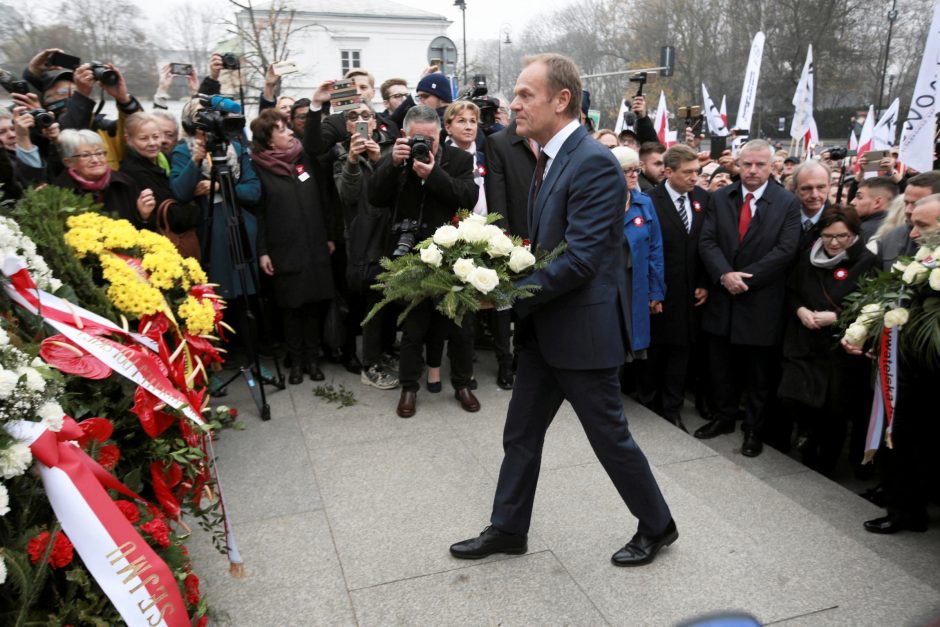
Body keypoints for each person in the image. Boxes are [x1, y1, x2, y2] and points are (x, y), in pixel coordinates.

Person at [450, 53, 675, 568]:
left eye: (526, 94)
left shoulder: (592, 161)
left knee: (609, 439)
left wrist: (506, 294)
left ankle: (658, 525)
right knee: (521, 435)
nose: (514, 102)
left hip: (583, 333)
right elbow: (543, 246)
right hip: (544, 330)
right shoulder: (549, 156)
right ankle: (509, 529)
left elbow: (580, 259)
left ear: (561, 99)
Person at [368, 105, 480, 418]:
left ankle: (461, 384)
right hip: (411, 255)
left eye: (431, 139)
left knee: (459, 327)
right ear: (404, 134)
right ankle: (408, 388)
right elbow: (374, 197)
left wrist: (434, 175)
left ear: (441, 135)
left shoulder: (459, 159)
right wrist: (391, 164)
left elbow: (467, 197)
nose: (425, 145)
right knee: (413, 328)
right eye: (419, 138)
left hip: (452, 254)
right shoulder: (396, 157)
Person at [696, 139, 801, 457]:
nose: (752, 170)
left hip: (761, 302)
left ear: (772, 167)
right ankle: (724, 417)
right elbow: (707, 240)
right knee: (721, 366)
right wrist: (724, 275)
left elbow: (785, 250)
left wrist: (746, 279)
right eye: (747, 164)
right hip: (723, 297)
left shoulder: (786, 203)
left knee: (759, 374)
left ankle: (754, 429)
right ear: (737, 165)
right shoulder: (721, 197)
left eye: (760, 165)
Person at [846, 193, 940, 534]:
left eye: (922, 226)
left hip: (927, 376)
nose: (912, 234)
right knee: (904, 442)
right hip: (907, 373)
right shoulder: (923, 261)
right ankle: (905, 509)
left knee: (916, 445)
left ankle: (909, 508)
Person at [779, 205, 877, 476]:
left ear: (854, 234)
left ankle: (825, 463)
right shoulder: (807, 257)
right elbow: (792, 291)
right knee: (793, 394)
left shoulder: (867, 261)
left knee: (833, 410)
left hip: (838, 348)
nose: (834, 243)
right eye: (827, 236)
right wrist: (800, 311)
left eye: (841, 237)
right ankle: (806, 436)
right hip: (803, 341)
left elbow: (872, 306)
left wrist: (836, 318)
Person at [169, 98, 262, 367]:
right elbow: (180, 192)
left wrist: (220, 187)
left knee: (247, 293)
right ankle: (215, 360)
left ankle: (253, 357)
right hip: (209, 230)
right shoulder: (182, 152)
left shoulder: (235, 149)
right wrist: (197, 159)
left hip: (239, 224)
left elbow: (254, 191)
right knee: (213, 296)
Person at [252, 109, 335, 384]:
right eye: (281, 129)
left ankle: (313, 358)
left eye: (288, 127)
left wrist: (330, 235)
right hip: (283, 248)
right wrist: (263, 250)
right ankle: (296, 361)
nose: (289, 132)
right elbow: (260, 213)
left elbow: (324, 198)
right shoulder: (259, 167)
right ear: (269, 140)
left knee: (313, 305)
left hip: (314, 244)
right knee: (291, 307)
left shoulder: (304, 158)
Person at [639, 144, 710, 432]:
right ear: (668, 172)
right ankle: (647, 401)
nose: (694, 177)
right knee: (654, 351)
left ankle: (672, 408)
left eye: (697, 172)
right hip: (657, 292)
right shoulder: (648, 201)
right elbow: (643, 249)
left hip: (690, 294)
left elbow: (709, 243)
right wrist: (648, 291)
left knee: (680, 354)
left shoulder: (703, 199)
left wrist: (705, 282)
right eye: (688, 172)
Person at [332, 99, 399, 391]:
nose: (360, 120)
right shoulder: (340, 154)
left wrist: (377, 160)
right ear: (347, 125)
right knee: (373, 298)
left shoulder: (389, 147)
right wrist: (352, 161)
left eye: (366, 115)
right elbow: (346, 195)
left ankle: (385, 352)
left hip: (392, 231)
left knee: (393, 296)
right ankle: (369, 363)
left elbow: (396, 189)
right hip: (362, 235)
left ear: (375, 121)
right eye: (353, 116)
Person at [484, 117, 539, 391]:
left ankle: (522, 356)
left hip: (544, 236)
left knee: (531, 300)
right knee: (504, 303)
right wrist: (504, 241)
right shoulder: (499, 142)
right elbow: (497, 194)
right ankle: (504, 361)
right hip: (510, 236)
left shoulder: (550, 137)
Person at [611, 145, 666, 360]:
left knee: (631, 344)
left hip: (635, 284)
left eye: (636, 169)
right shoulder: (599, 203)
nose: (634, 175)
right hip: (608, 285)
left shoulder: (645, 204)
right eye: (627, 170)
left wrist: (656, 292)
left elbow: (655, 250)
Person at [119, 112, 201, 235]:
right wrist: (201, 208)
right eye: (143, 138)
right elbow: (172, 217)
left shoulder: (164, 159)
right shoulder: (134, 172)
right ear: (128, 139)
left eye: (156, 137)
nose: (152, 143)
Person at [52, 129, 154, 227]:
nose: (95, 160)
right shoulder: (59, 191)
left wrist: (144, 216)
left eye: (99, 153)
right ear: (69, 162)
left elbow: (144, 230)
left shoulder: (125, 183)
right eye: (85, 155)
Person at [790, 161, 832, 251]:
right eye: (806, 188)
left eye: (821, 187)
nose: (814, 195)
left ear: (829, 187)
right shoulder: (782, 216)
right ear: (795, 189)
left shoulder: (839, 221)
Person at [851, 176, 898, 242]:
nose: (852, 202)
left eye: (859, 197)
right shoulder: (898, 229)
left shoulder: (863, 230)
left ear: (877, 202)